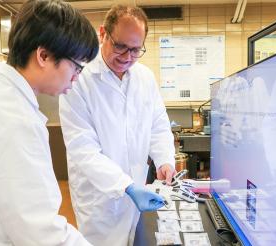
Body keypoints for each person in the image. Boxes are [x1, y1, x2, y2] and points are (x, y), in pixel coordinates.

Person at [0, 0, 98, 245]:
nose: (77, 78)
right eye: (77, 66)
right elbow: (40, 231)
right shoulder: (13, 118)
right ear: (44, 55)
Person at [59, 5, 176, 246]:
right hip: (100, 200)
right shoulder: (79, 79)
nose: (126, 57)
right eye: (120, 46)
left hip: (138, 194)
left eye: (135, 50)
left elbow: (158, 124)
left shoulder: (144, 77)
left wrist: (164, 159)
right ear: (103, 34)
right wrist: (126, 186)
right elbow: (82, 149)